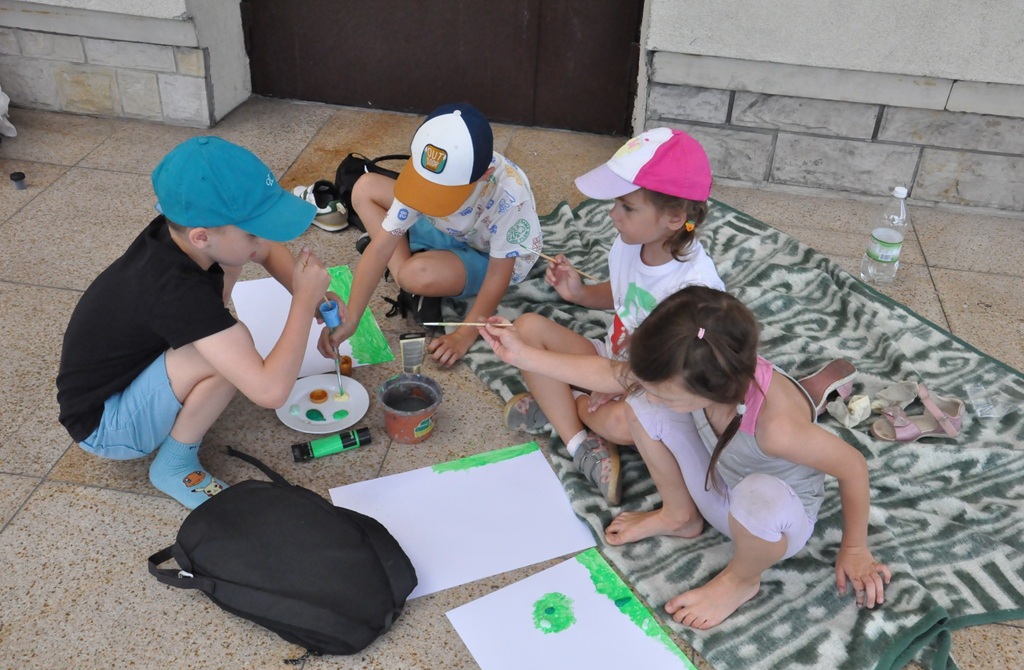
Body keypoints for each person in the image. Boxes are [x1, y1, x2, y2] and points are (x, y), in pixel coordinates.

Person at [479, 286, 891, 629]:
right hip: (721, 486)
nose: (653, 395)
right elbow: (613, 376)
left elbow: (853, 466)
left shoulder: (777, 427)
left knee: (759, 496)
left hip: (773, 526)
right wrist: (521, 355)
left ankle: (741, 580)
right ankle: (680, 515)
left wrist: (855, 547)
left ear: (714, 390)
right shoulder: (693, 363)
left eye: (669, 395)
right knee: (641, 402)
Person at [56, 136, 332, 510]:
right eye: (252, 230)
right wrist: (303, 301)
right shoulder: (176, 291)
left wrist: (319, 299)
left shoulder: (182, 231)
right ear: (201, 236)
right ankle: (173, 466)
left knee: (231, 273)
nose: (262, 238)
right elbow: (270, 392)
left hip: (122, 381)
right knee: (230, 353)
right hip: (107, 426)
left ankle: (187, 387)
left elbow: (263, 249)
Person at [500, 128, 723, 505]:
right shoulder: (631, 242)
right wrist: (580, 293)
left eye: (627, 207)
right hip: (613, 360)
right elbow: (626, 294)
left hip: (654, 387)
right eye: (617, 203)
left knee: (618, 423)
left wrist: (615, 387)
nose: (612, 214)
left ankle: (564, 409)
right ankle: (579, 441)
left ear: (674, 217)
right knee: (525, 330)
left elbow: (669, 378)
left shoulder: (696, 291)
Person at [325, 102, 542, 368]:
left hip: (490, 256)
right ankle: (411, 257)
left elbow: (499, 275)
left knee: (412, 275)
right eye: (424, 183)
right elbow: (379, 249)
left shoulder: (510, 196)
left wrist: (463, 335)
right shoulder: (433, 171)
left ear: (485, 175)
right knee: (364, 188)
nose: (428, 195)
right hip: (451, 228)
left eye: (442, 191)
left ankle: (413, 270)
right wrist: (351, 319)